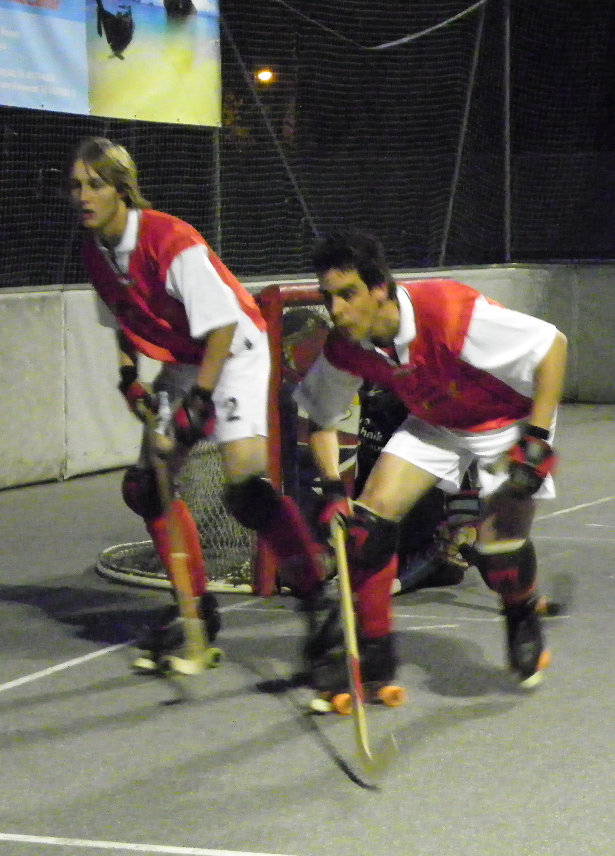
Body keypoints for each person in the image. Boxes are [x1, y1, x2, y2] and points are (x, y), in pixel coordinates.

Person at [67, 137, 333, 671]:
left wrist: (200, 401)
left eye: (95, 185)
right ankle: (195, 611)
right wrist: (129, 378)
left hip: (234, 351)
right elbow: (120, 317)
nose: (83, 196)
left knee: (245, 490)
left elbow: (224, 325)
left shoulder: (169, 240)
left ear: (122, 189)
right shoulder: (94, 250)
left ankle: (315, 599)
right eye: (75, 186)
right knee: (147, 487)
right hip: (189, 357)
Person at [293, 231, 568, 690]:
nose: (335, 310)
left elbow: (552, 345)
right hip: (434, 421)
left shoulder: (448, 311)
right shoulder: (345, 347)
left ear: (379, 288)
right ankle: (374, 653)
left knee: (499, 557)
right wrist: (333, 489)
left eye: (347, 294)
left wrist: (537, 443)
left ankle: (520, 612)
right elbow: (321, 418)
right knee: (366, 528)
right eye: (328, 297)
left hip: (506, 419)